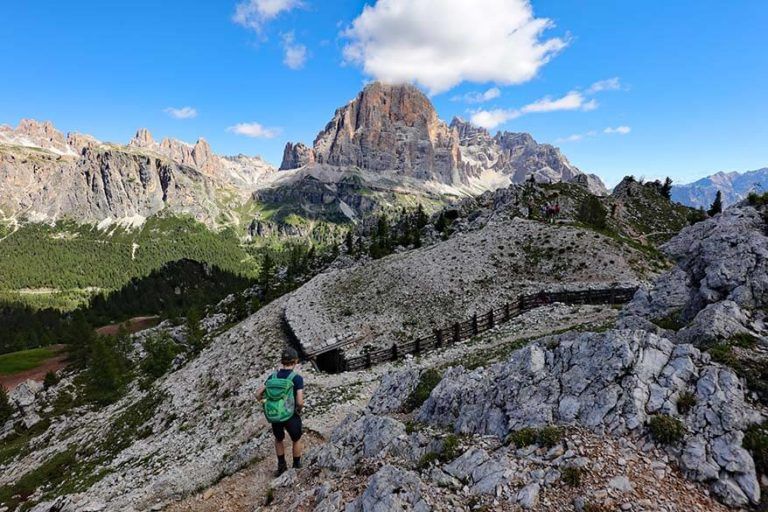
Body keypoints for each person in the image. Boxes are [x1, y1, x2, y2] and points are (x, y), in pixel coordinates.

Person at [257, 346, 305, 476]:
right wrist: (298, 410)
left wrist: (264, 402)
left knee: (279, 439)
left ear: (282, 361)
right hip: (290, 414)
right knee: (296, 439)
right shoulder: (297, 378)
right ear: (295, 361)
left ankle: (281, 466)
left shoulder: (272, 376)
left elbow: (258, 394)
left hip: (275, 414)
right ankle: (296, 465)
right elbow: (300, 401)